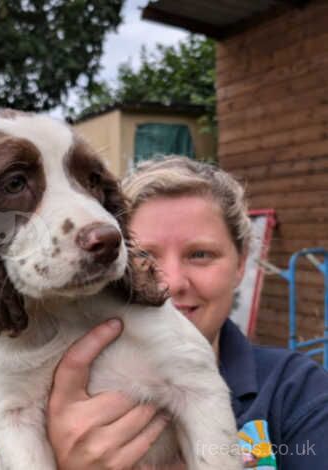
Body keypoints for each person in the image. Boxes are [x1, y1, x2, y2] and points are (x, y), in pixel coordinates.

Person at [46, 156, 328, 470]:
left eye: (200, 254)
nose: (171, 282)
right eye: (143, 256)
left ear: (240, 265)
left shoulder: (297, 392)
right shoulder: (62, 390)